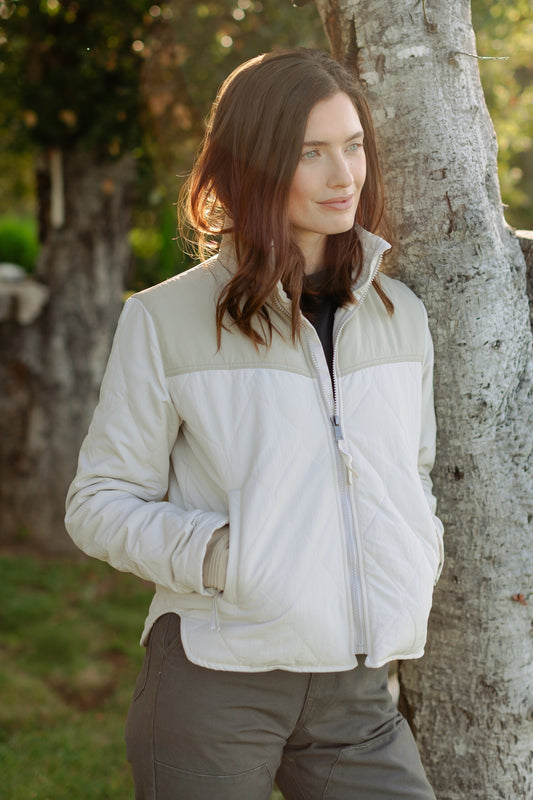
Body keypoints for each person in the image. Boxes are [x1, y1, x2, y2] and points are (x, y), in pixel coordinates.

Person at [65, 48, 444, 800]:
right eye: (311, 153)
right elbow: (98, 502)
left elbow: (415, 473)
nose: (345, 175)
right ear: (257, 164)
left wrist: (411, 553)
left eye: (352, 145)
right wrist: (225, 558)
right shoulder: (165, 319)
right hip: (217, 678)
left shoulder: (402, 316)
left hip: (358, 692)